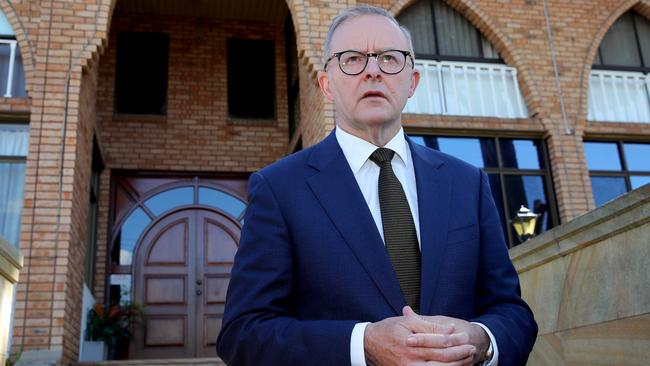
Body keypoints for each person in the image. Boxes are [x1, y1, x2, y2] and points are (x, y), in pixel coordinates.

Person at [216, 5, 537, 366]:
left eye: (389, 58)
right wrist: (362, 344)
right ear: (326, 84)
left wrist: (482, 341)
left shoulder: (468, 183)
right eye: (352, 59)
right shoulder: (278, 188)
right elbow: (243, 333)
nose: (372, 71)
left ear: (412, 81)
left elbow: (512, 312)